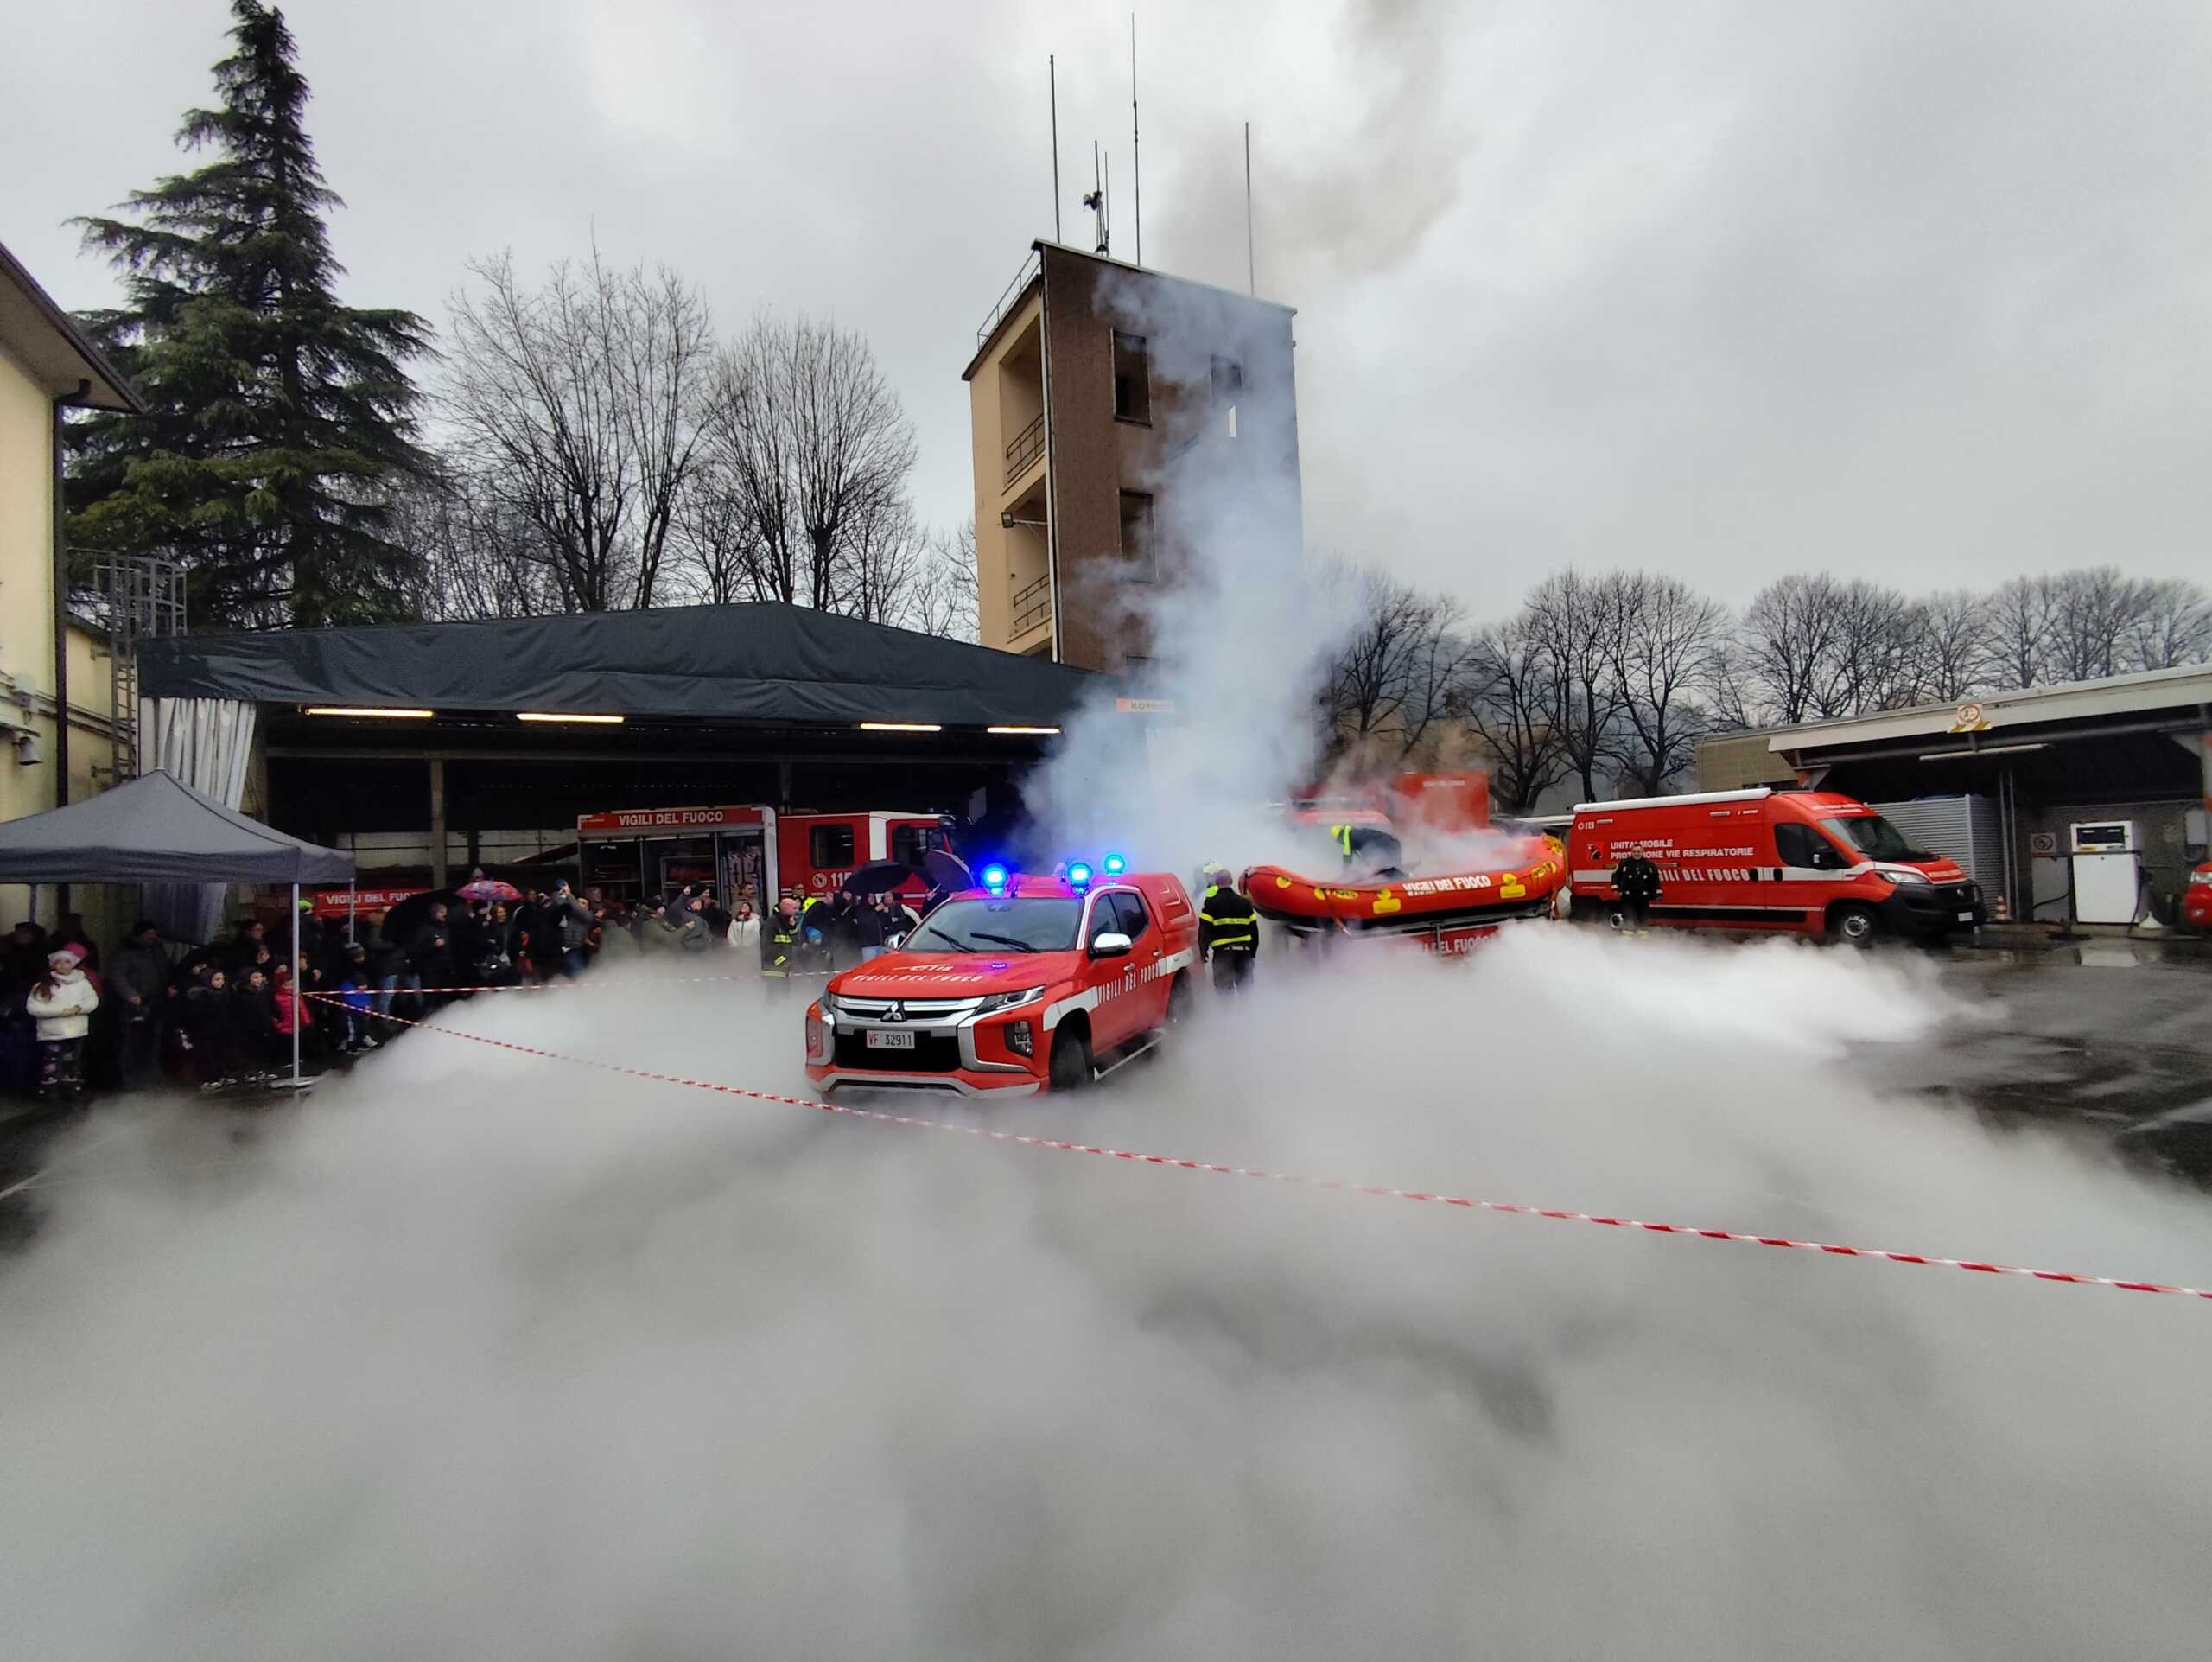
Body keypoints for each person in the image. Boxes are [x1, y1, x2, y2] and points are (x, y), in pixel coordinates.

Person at [27, 944, 100, 1101]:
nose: (62, 965)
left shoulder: (83, 983)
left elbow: (92, 1001)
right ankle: (50, 1089)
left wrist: (79, 1008)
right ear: (53, 965)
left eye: (66, 962)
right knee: (51, 1061)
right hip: (52, 1032)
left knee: (72, 1059)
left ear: (73, 964)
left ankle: (71, 1087)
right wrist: (59, 1012)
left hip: (76, 1030)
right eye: (58, 962)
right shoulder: (42, 986)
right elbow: (33, 1007)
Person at [109, 919, 170, 1087]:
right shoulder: (125, 952)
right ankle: (128, 1078)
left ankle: (152, 1073)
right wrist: (130, 995)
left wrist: (169, 987)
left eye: (154, 933)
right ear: (139, 934)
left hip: (157, 1000)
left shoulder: (157, 949)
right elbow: (117, 976)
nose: (152, 936)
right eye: (149, 933)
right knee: (131, 1041)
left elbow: (165, 969)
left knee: (154, 1039)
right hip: (135, 1003)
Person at [1198, 863, 1260, 993]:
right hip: (1244, 954)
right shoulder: (1244, 903)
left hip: (1223, 956)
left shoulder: (1211, 903)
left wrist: (1203, 951)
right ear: (1231, 881)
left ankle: (1229, 1014)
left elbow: (1204, 929)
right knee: (1246, 993)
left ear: (1216, 883)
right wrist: (1252, 954)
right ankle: (1249, 1014)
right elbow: (1254, 931)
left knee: (1225, 994)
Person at [408, 901, 454, 1007]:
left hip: (445, 968)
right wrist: (433, 945)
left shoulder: (446, 927)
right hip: (430, 970)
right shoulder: (424, 929)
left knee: (444, 998)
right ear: (434, 913)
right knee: (431, 999)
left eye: (445, 912)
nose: (445, 915)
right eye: (441, 912)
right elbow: (415, 949)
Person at [270, 960, 317, 1068]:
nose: (291, 987)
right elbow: (275, 1012)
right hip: (284, 1027)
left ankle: (299, 1059)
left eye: (292, 984)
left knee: (299, 1044)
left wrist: (306, 1021)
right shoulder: (277, 997)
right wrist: (278, 1024)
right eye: (288, 985)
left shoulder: (296, 995)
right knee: (287, 1045)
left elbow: (302, 1009)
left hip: (297, 1025)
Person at [337, 943, 378, 1052]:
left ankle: (363, 1039)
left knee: (362, 1023)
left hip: (362, 1005)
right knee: (352, 1026)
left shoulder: (368, 966)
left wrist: (367, 1004)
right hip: (351, 1007)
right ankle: (350, 1044)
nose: (361, 959)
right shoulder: (343, 973)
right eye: (357, 958)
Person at [761, 895, 806, 984]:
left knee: (785, 996)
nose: (797, 911)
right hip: (773, 970)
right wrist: (782, 962)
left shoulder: (788, 924)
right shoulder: (771, 923)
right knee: (775, 996)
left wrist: (793, 927)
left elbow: (795, 942)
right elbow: (767, 946)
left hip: (785, 970)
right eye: (794, 908)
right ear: (786, 909)